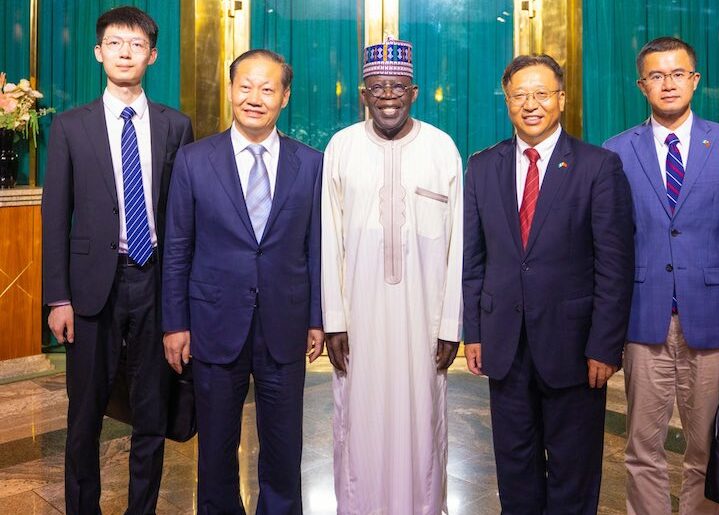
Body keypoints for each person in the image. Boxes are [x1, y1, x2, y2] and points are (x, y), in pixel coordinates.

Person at [462, 54, 634, 514]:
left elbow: (614, 266)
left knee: (573, 469)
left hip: (575, 349)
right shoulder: (482, 166)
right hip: (505, 345)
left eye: (541, 94)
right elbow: (472, 259)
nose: (530, 104)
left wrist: (604, 345)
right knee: (514, 465)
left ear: (561, 98)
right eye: (520, 95)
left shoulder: (598, 167)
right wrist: (473, 332)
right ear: (507, 101)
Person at [603, 36, 719, 515]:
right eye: (656, 75)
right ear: (641, 85)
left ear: (695, 80)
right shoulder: (616, 152)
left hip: (714, 324)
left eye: (678, 74)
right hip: (643, 320)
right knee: (642, 448)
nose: (668, 83)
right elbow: (611, 247)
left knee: (707, 447)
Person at [41, 6, 193, 514]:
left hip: (153, 281)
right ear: (98, 52)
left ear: (152, 55)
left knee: (152, 409)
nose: (124, 52)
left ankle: (141, 509)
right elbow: (54, 216)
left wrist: (181, 301)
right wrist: (57, 296)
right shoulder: (70, 126)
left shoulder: (177, 126)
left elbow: (181, 217)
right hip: (89, 287)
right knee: (84, 412)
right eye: (114, 43)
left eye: (135, 44)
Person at [161, 49, 323, 514]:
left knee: (283, 446)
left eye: (268, 89)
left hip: (285, 324)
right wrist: (175, 323)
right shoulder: (194, 161)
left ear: (285, 97)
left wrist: (316, 319)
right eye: (246, 86)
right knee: (214, 449)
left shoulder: (310, 164)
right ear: (231, 90)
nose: (255, 98)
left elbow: (315, 248)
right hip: (212, 322)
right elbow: (177, 248)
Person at [321, 37, 463, 514]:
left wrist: (449, 326)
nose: (387, 95)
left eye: (397, 86)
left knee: (423, 425)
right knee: (359, 426)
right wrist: (336, 321)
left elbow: (458, 247)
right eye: (377, 86)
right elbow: (329, 240)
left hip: (423, 324)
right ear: (363, 93)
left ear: (415, 91)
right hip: (358, 322)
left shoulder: (442, 149)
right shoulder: (340, 147)